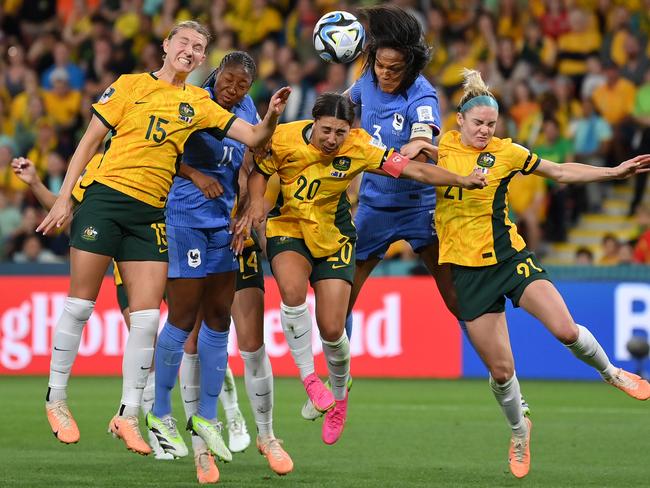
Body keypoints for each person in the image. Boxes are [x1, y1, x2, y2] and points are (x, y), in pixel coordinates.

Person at [37, 20, 290, 456]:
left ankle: (129, 415)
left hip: (151, 213)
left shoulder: (198, 102)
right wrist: (63, 197)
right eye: (184, 43)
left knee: (148, 319)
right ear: (166, 45)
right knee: (80, 304)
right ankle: (56, 398)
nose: (190, 51)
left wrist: (269, 117)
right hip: (106, 200)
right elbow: (89, 141)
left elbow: (251, 137)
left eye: (199, 47)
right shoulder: (129, 85)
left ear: (201, 60)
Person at [302, 4, 533, 422]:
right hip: (373, 209)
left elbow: (425, 132)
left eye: (396, 68)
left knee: (459, 300)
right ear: (371, 57)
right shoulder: (364, 81)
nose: (387, 75)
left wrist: (415, 143)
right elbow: (340, 116)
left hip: (422, 209)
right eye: (381, 65)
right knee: (339, 301)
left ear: (410, 65)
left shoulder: (421, 93)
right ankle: (341, 388)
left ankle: (504, 377)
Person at [235, 92, 486, 446]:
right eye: (326, 131)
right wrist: (258, 202)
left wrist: (460, 179)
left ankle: (339, 396)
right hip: (289, 228)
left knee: (333, 329)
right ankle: (309, 379)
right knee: (291, 292)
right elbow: (259, 173)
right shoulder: (285, 136)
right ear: (313, 121)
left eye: (340, 131)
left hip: (334, 236)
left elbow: (411, 168)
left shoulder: (360, 146)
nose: (332, 140)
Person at [434, 68, 650, 479]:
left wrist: (612, 172)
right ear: (458, 120)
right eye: (478, 123)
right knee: (501, 372)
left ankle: (612, 372)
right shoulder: (437, 149)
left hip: (510, 260)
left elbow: (561, 171)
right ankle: (520, 430)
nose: (484, 130)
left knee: (566, 330)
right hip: (465, 272)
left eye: (491, 124)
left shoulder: (507, 152)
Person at [12, 156, 250, 463]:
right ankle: (152, 429)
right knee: (148, 342)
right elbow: (69, 208)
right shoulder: (102, 165)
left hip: (171, 253)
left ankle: (231, 415)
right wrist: (35, 182)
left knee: (197, 339)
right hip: (129, 272)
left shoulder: (163, 160)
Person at [144, 52, 293, 482]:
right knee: (184, 317)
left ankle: (207, 418)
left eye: (242, 85)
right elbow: (161, 150)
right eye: (228, 81)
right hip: (186, 216)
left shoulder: (246, 109)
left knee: (218, 319)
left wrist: (272, 117)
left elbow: (255, 154)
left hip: (224, 222)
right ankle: (158, 413)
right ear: (215, 77)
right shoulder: (192, 101)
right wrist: (193, 175)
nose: (234, 90)